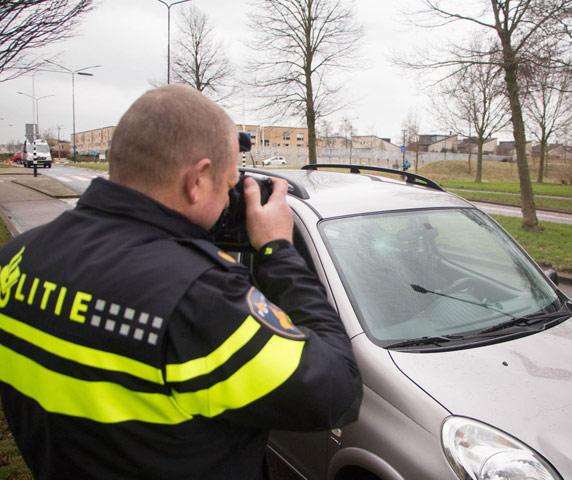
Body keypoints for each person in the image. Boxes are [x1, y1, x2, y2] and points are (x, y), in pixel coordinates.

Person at [0, 85, 361, 479]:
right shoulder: (201, 299)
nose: (228, 203)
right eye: (227, 187)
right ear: (198, 179)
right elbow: (337, 390)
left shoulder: (16, 259)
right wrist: (277, 249)